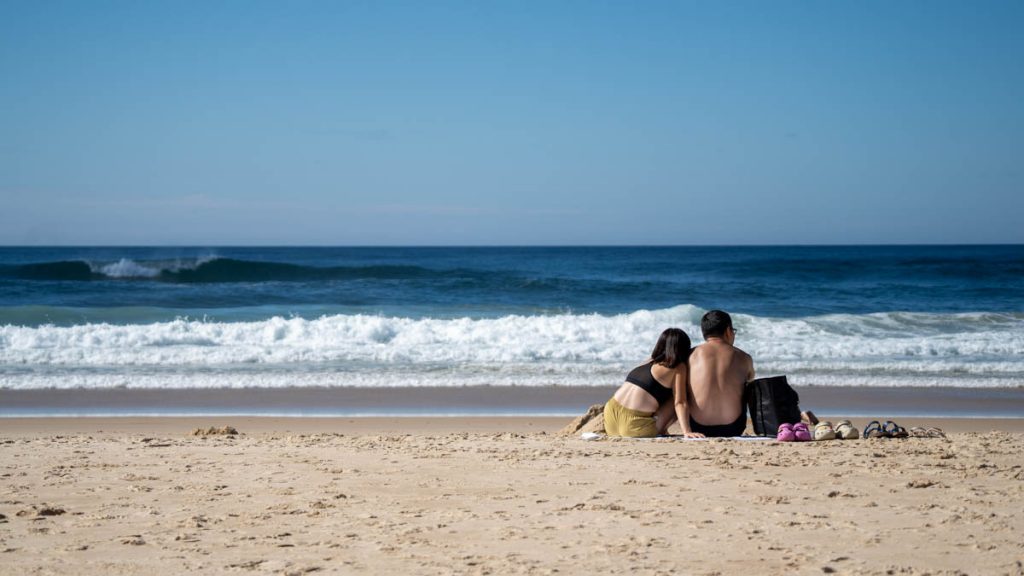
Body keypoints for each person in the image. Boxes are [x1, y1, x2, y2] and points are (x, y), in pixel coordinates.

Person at [603, 328, 701, 438]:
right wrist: (686, 431)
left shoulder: (648, 362)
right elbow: (680, 402)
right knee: (681, 393)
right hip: (634, 426)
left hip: (609, 416)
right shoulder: (678, 367)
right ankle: (662, 429)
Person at [685, 310, 755, 438]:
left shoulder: (690, 355)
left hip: (697, 427)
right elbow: (750, 382)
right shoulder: (744, 357)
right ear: (728, 331)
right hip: (733, 428)